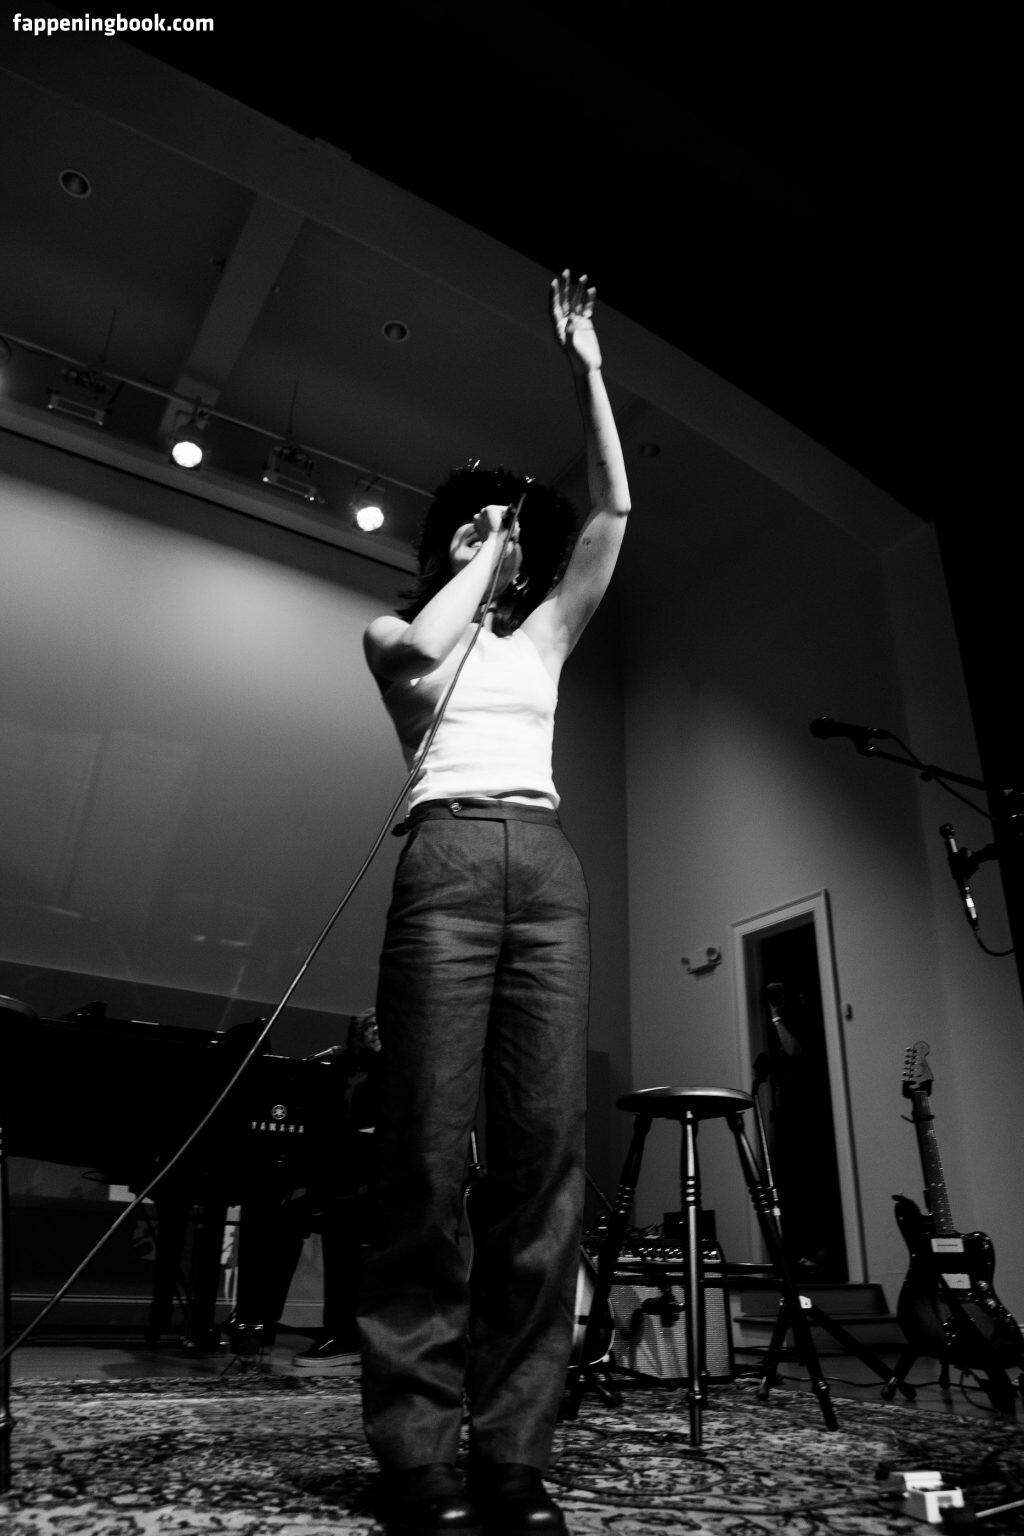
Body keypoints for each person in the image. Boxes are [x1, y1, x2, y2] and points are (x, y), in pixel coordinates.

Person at [357, 270, 630, 1536]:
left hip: (544, 867)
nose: (493, 533)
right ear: (445, 547)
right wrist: (477, 556)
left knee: (542, 1161)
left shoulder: (544, 640)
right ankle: (416, 1454)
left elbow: (614, 509)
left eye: (503, 528)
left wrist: (586, 370)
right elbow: (425, 649)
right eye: (467, 525)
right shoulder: (395, 635)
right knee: (423, 1154)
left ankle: (514, 1452)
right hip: (447, 861)